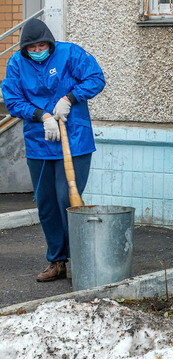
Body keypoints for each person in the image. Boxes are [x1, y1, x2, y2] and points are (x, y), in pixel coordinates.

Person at [1, 18, 105, 282]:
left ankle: (81, 258)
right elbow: (13, 100)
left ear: (50, 42)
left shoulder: (70, 53)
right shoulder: (16, 63)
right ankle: (57, 261)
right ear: (25, 48)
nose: (38, 51)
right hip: (39, 141)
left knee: (65, 198)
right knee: (47, 203)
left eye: (42, 45)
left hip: (75, 139)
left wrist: (69, 98)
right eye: (32, 48)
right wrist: (40, 115)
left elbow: (96, 78)